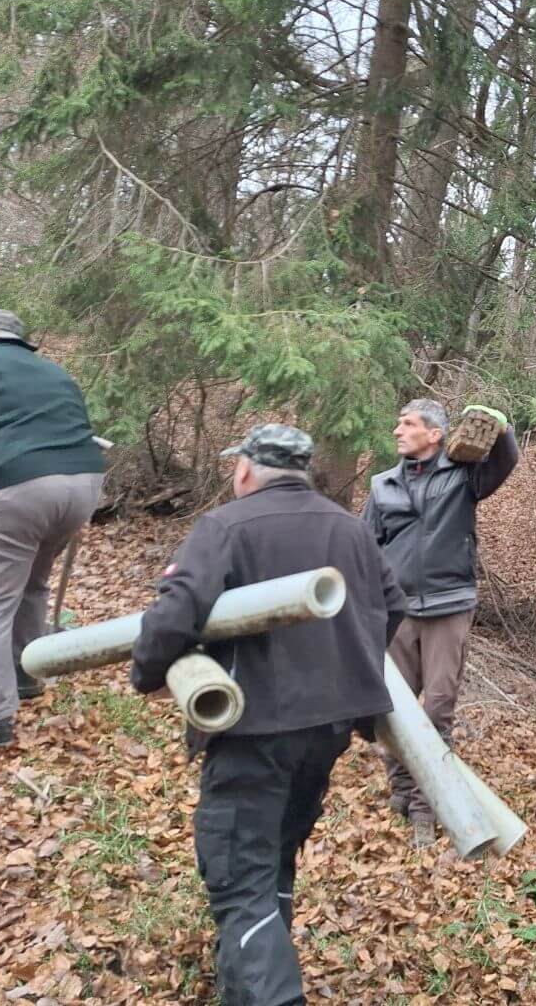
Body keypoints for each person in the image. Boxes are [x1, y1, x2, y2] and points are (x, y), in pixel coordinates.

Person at [129, 425, 407, 1006]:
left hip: (254, 729)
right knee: (273, 858)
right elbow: (394, 604)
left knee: (236, 872)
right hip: (328, 730)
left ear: (247, 470)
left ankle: (272, 995)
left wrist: (148, 674)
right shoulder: (351, 528)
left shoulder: (227, 526)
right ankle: (244, 983)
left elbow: (175, 610)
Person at [363, 398, 517, 844]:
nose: (397, 430)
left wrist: (501, 428)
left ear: (434, 434)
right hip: (398, 611)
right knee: (394, 711)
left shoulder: (464, 476)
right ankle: (402, 790)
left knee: (437, 709)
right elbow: (365, 547)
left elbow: (506, 460)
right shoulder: (383, 485)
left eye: (407, 424)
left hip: (449, 607)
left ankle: (426, 809)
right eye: (398, 422)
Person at [0, 308, 104, 751]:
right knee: (31, 584)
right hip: (82, 485)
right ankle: (26, 675)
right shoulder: (53, 372)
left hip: (16, 488)